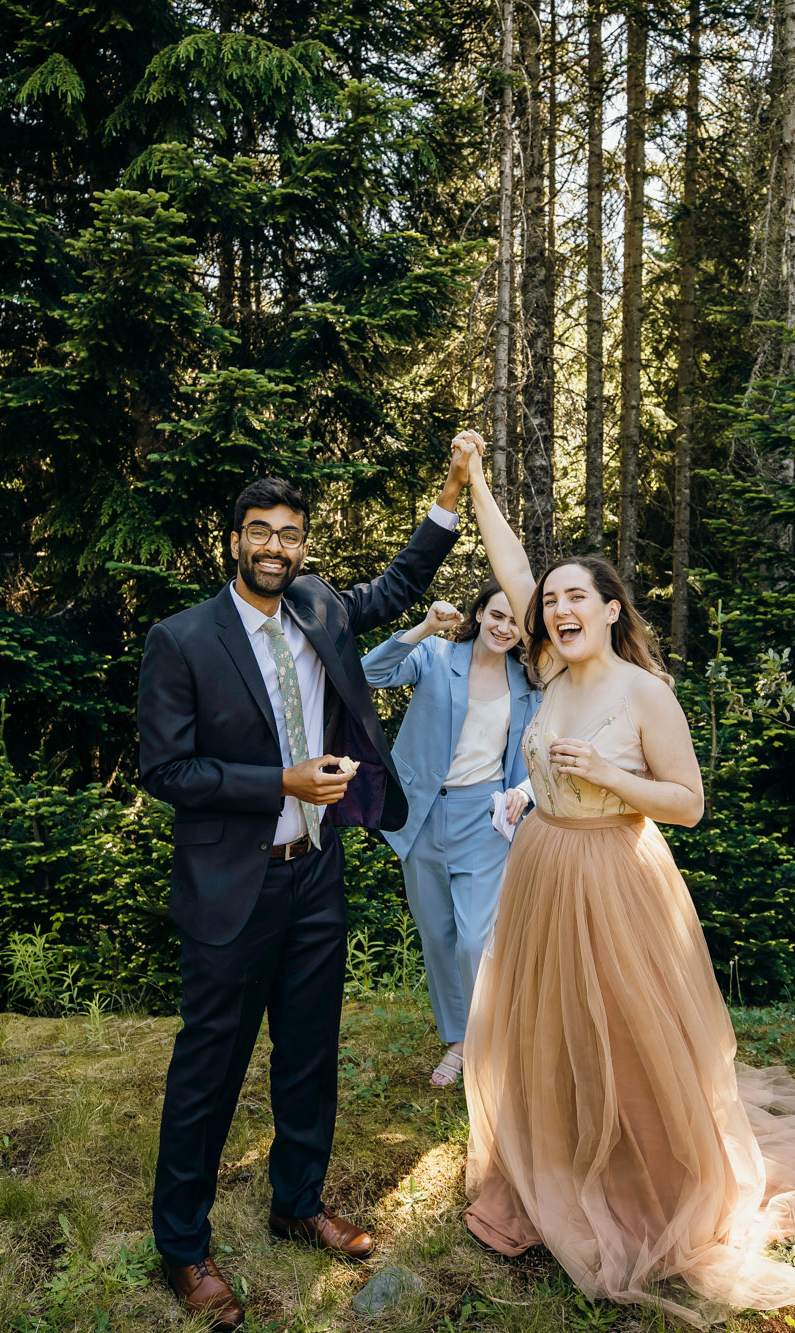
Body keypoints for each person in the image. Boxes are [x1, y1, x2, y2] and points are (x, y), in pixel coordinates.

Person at [462, 556, 795, 1326]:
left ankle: (645, 1180)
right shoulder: (552, 668)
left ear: (613, 609)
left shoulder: (644, 692)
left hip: (613, 876)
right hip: (542, 868)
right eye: (550, 600)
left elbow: (688, 803)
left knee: (628, 1033)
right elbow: (515, 569)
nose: (557, 608)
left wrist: (606, 773)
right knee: (550, 1027)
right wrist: (474, 478)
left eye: (576, 597)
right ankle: (556, 1163)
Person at [136, 442, 475, 1330]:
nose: (276, 547)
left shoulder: (321, 606)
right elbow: (167, 770)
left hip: (318, 873)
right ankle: (183, 1244)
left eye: (290, 534)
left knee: (311, 1055)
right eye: (261, 532)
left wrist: (447, 497)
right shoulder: (180, 640)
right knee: (208, 1072)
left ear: (302, 544)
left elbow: (396, 588)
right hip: (229, 887)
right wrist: (279, 782)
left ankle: (299, 1202)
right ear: (234, 542)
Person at [361, 431, 539, 1088]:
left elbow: (536, 753)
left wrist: (524, 793)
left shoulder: (531, 685)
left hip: (484, 817)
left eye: (513, 621)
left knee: (475, 938)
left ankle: (494, 1043)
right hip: (418, 815)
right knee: (438, 936)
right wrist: (418, 628)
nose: (503, 626)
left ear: (523, 631)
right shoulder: (439, 656)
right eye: (495, 614)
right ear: (479, 614)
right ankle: (458, 1041)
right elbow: (368, 674)